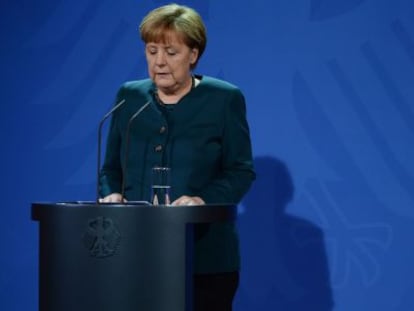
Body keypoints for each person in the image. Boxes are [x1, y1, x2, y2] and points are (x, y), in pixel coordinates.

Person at [99, 3, 255, 310]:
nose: (159, 62)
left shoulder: (224, 99)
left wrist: (201, 200)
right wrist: (112, 194)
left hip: (204, 258)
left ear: (193, 55)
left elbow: (240, 171)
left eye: (171, 53)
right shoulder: (129, 97)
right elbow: (110, 169)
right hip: (134, 253)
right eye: (152, 50)